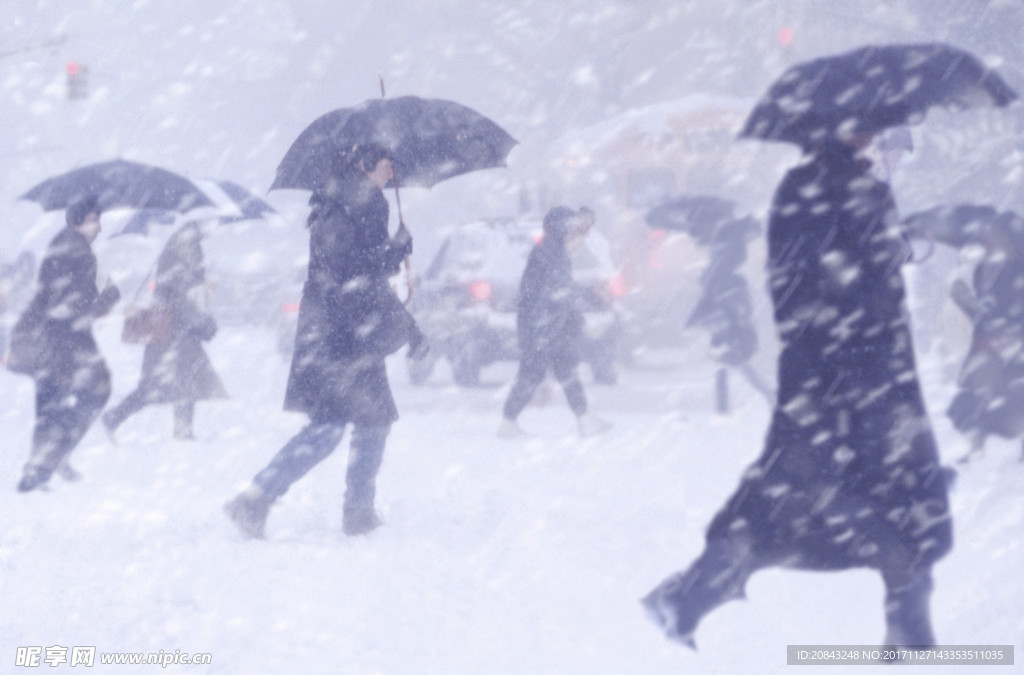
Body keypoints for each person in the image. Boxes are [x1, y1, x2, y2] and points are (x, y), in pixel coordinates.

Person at [643, 133, 953, 648]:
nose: (896, 156)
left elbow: (822, 275)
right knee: (821, 501)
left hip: (847, 375)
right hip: (845, 378)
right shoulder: (834, 190)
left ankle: (909, 639)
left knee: (881, 505)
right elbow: (829, 279)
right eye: (889, 143)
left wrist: (889, 247)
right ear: (861, 139)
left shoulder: (822, 188)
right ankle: (685, 601)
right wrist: (894, 248)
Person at [224, 143, 421, 538]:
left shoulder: (350, 200)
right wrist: (390, 254)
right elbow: (344, 270)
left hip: (342, 334)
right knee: (338, 427)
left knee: (361, 423)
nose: (391, 175)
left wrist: (390, 255)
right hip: (340, 336)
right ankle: (270, 500)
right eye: (386, 167)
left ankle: (277, 500)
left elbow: (357, 268)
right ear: (366, 164)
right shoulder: (353, 203)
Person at [7, 195, 121, 491]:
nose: (98, 226)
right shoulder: (77, 251)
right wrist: (106, 296)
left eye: (99, 220)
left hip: (52, 337)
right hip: (65, 339)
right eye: (93, 220)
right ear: (75, 221)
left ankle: (40, 466)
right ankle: (49, 458)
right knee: (93, 393)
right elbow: (73, 302)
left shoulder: (67, 245)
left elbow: (62, 297)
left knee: (51, 402)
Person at [102, 222, 227, 441]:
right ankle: (114, 418)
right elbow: (182, 297)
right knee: (160, 386)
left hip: (175, 332)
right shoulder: (185, 250)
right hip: (174, 333)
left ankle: (182, 430)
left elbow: (183, 293)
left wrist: (202, 300)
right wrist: (201, 319)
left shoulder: (178, 248)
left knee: (184, 383)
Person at [498, 205, 611, 438]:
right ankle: (509, 422)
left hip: (546, 326)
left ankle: (584, 419)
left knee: (558, 371)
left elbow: (559, 289)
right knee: (537, 374)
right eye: (569, 226)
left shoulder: (551, 248)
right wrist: (590, 296)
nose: (572, 230)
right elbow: (561, 289)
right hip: (543, 327)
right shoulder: (551, 252)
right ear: (560, 227)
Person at [945, 213, 1024, 463]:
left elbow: (1008, 313)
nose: (990, 244)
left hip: (1015, 349)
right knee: (972, 400)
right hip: (992, 349)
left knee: (1010, 395)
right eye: (987, 239)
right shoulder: (983, 271)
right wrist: (966, 302)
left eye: (998, 237)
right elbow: (984, 315)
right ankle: (976, 444)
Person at [684, 216, 774, 413]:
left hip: (728, 319)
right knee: (740, 360)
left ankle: (735, 404)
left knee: (737, 360)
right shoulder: (728, 265)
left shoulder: (722, 265)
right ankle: (763, 397)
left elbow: (714, 292)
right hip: (730, 319)